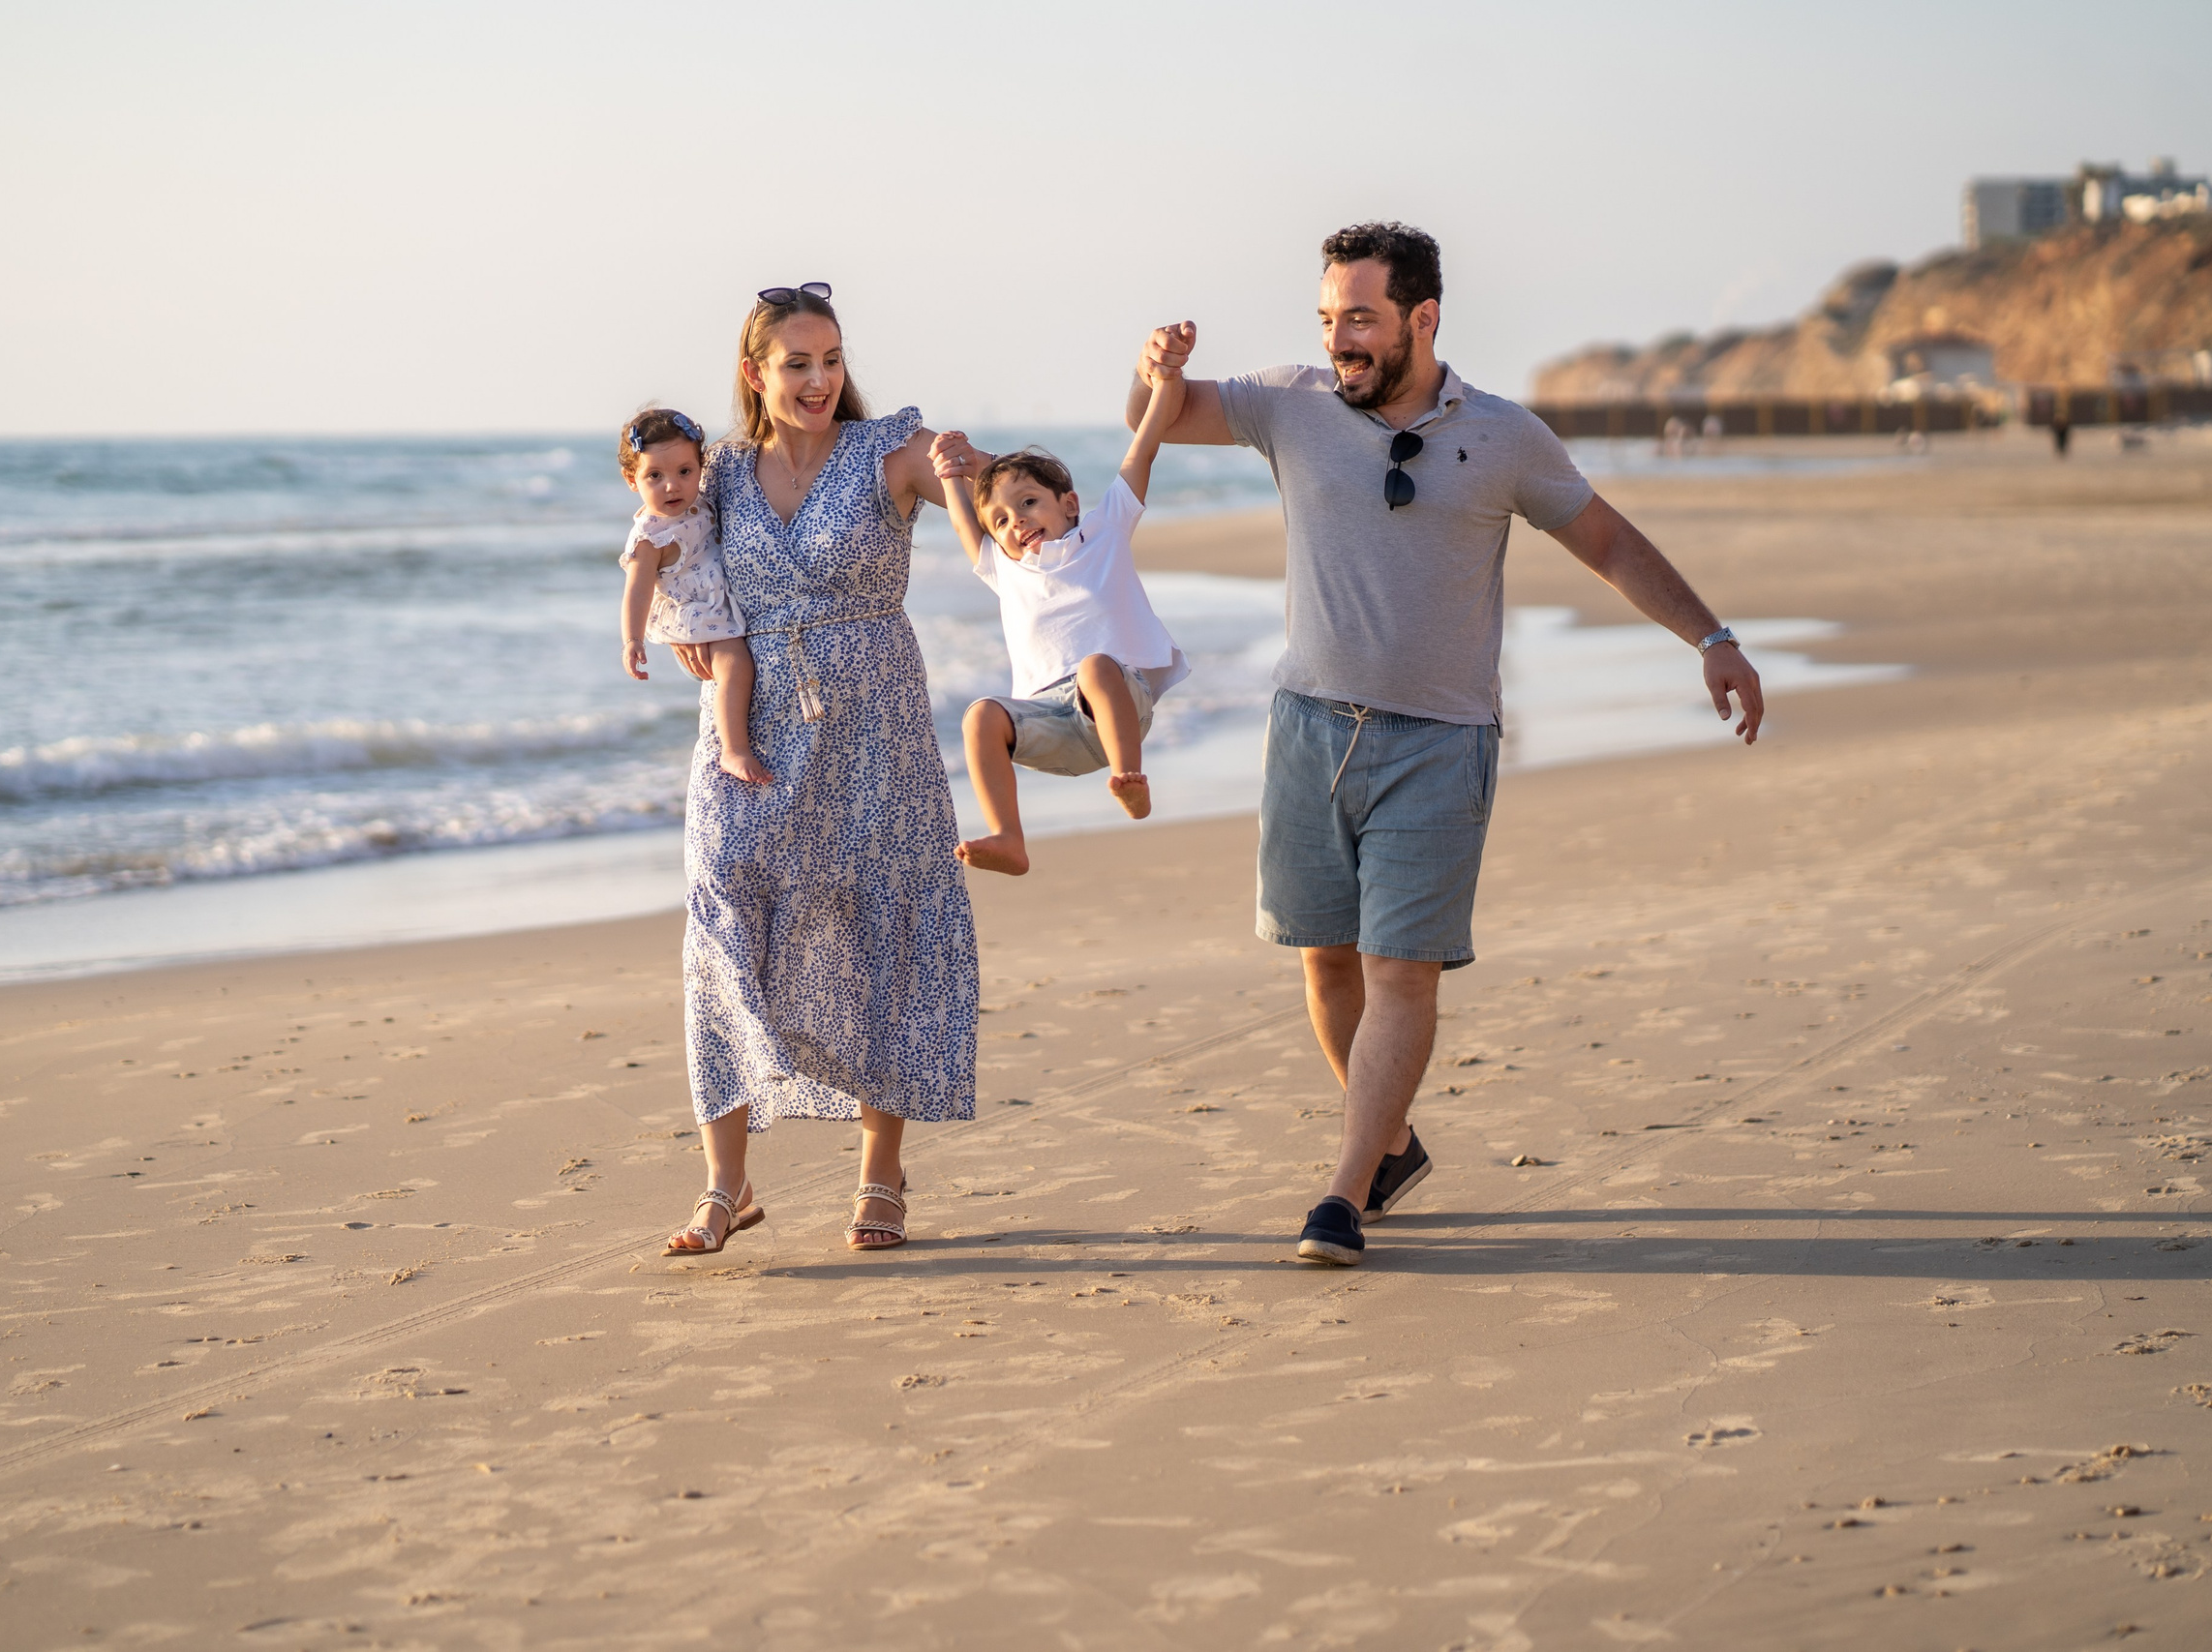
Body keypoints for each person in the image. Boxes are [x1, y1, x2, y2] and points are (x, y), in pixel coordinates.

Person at [1128, 221, 1766, 1267]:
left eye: (1362, 319)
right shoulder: (1287, 401)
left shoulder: (1504, 437)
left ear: (1422, 319)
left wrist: (1713, 636)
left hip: (1440, 743)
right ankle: (1391, 1144)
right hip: (1306, 731)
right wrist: (1152, 370)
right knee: (1323, 960)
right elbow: (1158, 416)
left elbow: (1604, 539)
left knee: (1400, 975)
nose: (1341, 338)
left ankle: (1341, 1190)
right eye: (1329, 317)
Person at [662, 283, 982, 1257]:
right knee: (721, 910)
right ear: (755, 373)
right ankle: (726, 1186)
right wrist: (683, 622)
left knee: (879, 920)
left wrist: (973, 480)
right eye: (795, 363)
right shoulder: (715, 471)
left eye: (829, 359)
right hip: (748, 727)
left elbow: (980, 514)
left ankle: (880, 1177)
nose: (816, 379)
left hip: (874, 724)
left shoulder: (892, 454)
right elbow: (662, 540)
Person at [927, 358, 1192, 875]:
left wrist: (1165, 387)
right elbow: (965, 524)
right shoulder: (1005, 569)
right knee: (980, 714)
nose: (1016, 521)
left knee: (1095, 665)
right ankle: (1008, 837)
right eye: (1001, 520)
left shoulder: (1104, 532)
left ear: (1069, 504)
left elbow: (1142, 453)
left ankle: (1129, 781)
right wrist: (950, 476)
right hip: (1050, 725)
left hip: (1116, 709)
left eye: (1028, 503)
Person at [616, 407, 769, 784]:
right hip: (696, 610)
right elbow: (636, 591)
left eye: (685, 471)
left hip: (717, 598)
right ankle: (733, 749)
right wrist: (632, 640)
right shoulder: (651, 537)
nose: (673, 486)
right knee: (735, 664)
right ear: (631, 479)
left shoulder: (699, 501)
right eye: (655, 476)